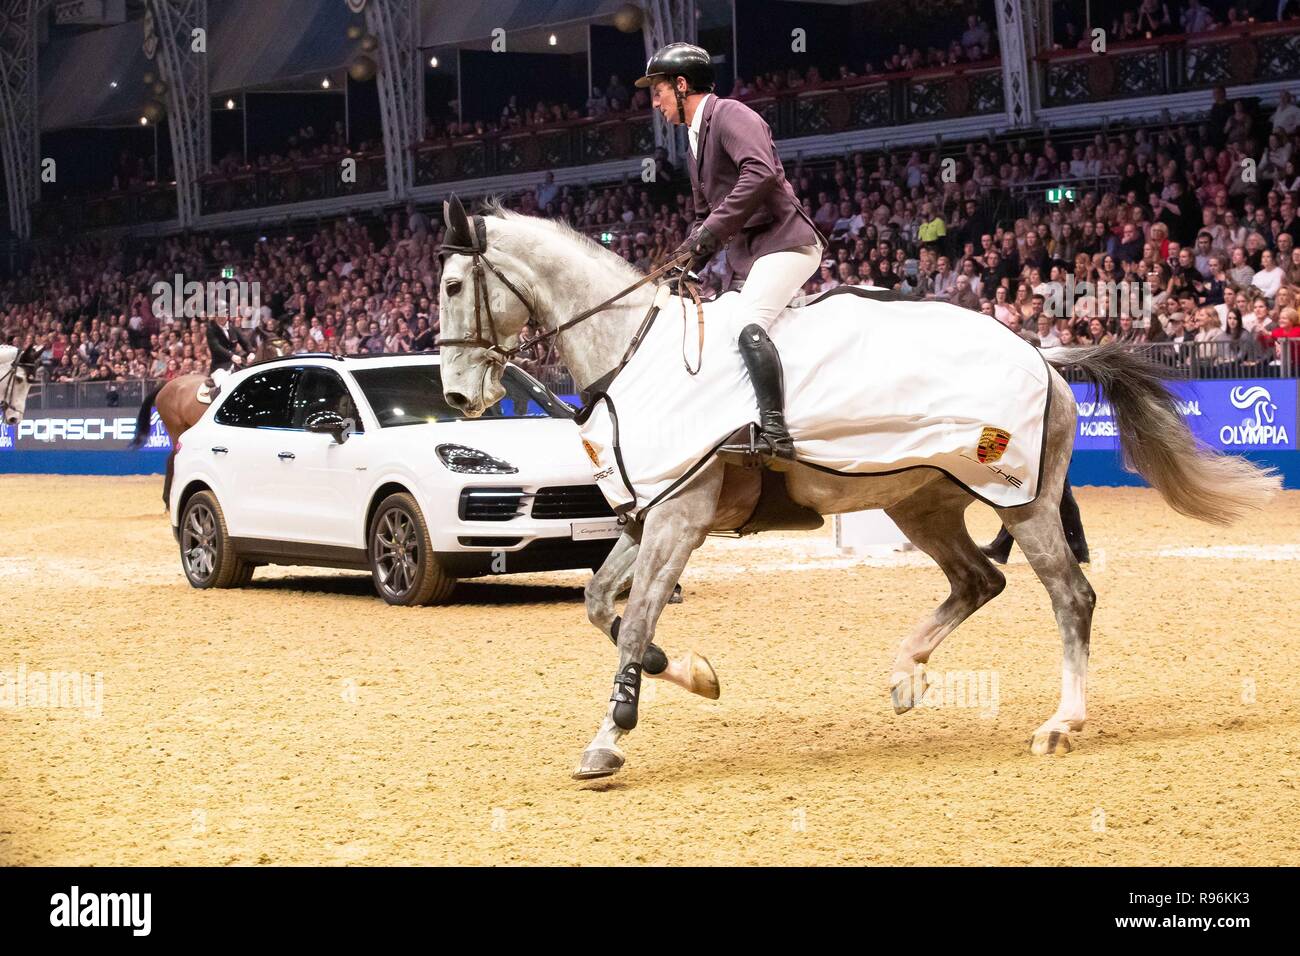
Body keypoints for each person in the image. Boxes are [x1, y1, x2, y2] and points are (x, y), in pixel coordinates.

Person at [638, 42, 825, 466]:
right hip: (753, 252)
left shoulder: (732, 115)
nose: (655, 102)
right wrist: (682, 262)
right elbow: (705, 216)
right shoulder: (693, 141)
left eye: (659, 91)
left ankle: (776, 428)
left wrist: (708, 235)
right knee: (724, 328)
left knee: (745, 322)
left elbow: (758, 172)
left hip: (785, 242)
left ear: (682, 85)